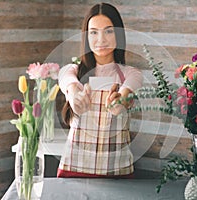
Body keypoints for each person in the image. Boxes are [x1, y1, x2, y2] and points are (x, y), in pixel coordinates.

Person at [57, 2, 143, 178]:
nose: (101, 40)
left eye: (109, 31)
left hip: (117, 172)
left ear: (119, 34)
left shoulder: (130, 74)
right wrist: (74, 96)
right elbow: (66, 79)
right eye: (94, 32)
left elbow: (127, 92)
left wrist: (120, 101)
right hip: (73, 169)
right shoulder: (73, 71)